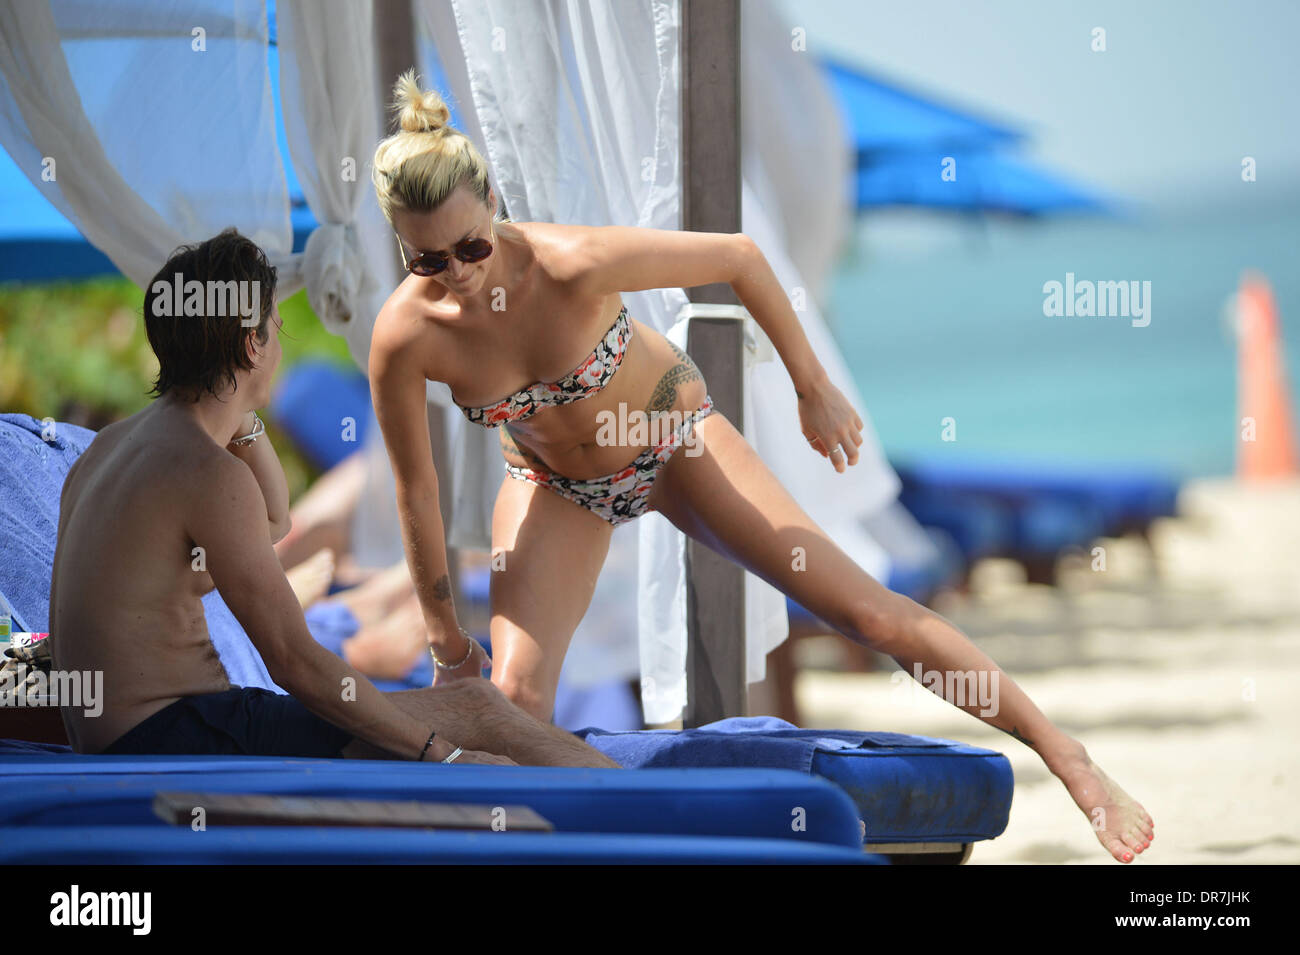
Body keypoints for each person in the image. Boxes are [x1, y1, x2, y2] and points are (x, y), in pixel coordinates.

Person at [366, 71, 1154, 862]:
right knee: (514, 702)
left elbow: (739, 257)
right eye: (429, 260)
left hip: (674, 444)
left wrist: (813, 386)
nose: (460, 274)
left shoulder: (571, 261)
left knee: (869, 615)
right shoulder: (406, 336)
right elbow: (417, 490)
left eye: (471, 246)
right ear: (403, 246)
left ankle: (1065, 754)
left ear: (494, 204)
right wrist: (443, 639)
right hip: (555, 487)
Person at [48, 227, 617, 770]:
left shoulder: (114, 447)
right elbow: (293, 661)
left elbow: (272, 524)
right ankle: (656, 811)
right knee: (482, 710)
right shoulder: (206, 473)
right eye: (274, 329)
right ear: (253, 345)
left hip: (137, 732)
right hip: (179, 736)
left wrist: (241, 414)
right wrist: (440, 754)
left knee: (475, 709)